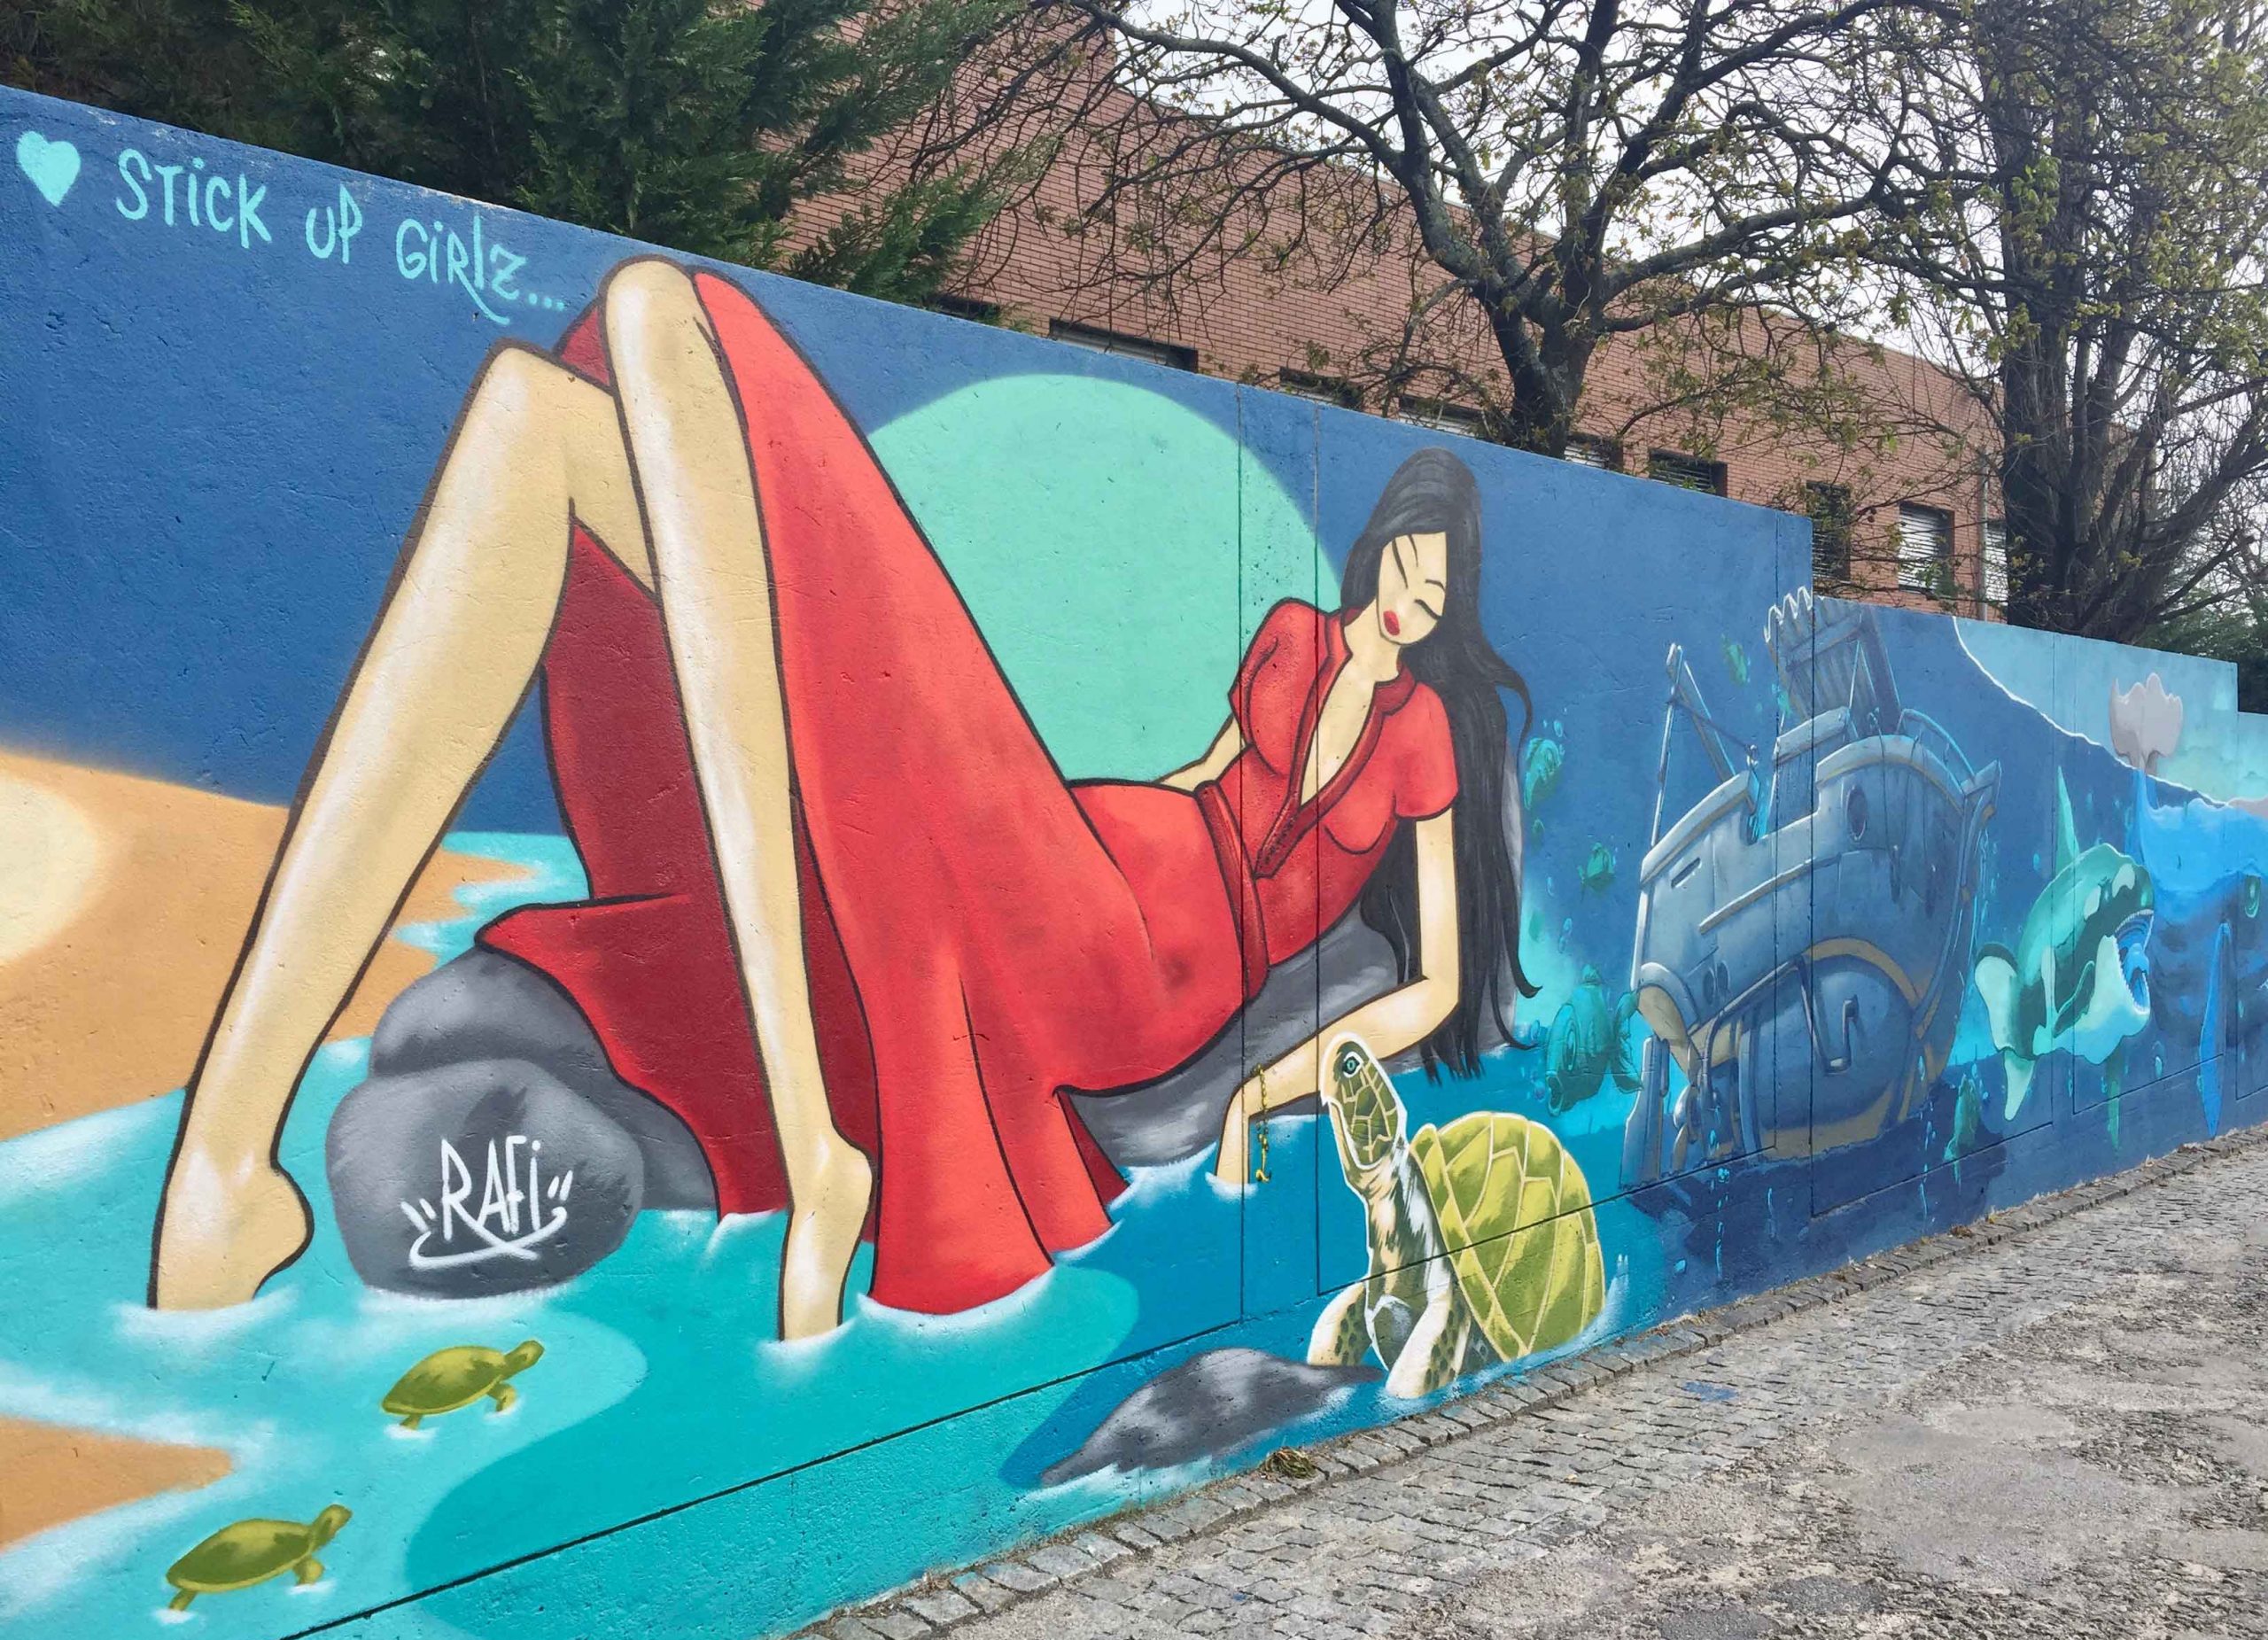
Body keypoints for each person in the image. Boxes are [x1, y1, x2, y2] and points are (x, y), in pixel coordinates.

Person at [146, 257, 1536, 1338]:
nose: (1407, 600)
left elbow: (1428, 982)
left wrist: (1265, 1089)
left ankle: (817, 1141)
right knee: (528, 410)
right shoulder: (1293, 636)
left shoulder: (1425, 736)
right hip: (1092, 842)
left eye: (1436, 592)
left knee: (654, 308)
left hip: (1154, 962)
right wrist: (1049, 817)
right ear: (1375, 552)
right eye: (1402, 567)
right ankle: (222, 1164)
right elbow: (1197, 785)